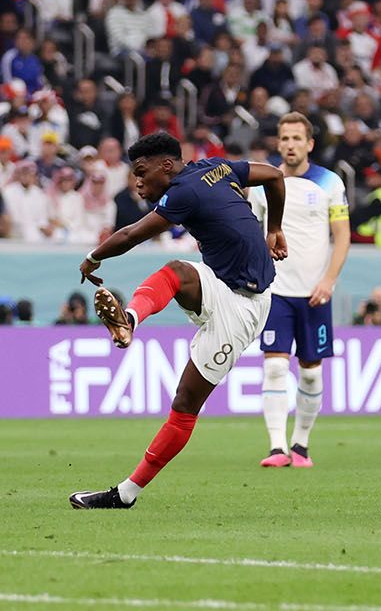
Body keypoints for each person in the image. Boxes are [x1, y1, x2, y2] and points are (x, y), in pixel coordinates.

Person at [70, 131, 287, 509]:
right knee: (176, 271)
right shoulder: (216, 168)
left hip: (244, 310)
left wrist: (93, 257)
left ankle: (127, 493)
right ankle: (130, 321)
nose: (137, 182)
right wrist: (274, 227)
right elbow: (273, 175)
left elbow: (133, 234)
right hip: (221, 283)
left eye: (141, 172)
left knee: (185, 403)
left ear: (166, 166)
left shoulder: (184, 191)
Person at [249, 114, 349, 468]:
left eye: (297, 138)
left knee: (310, 372)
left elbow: (342, 236)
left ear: (309, 144)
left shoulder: (329, 183)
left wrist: (329, 280)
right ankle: (277, 447)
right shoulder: (263, 182)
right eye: (285, 138)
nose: (290, 144)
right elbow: (252, 231)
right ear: (278, 143)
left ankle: (301, 445)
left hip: (314, 292)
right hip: (275, 291)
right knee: (275, 369)